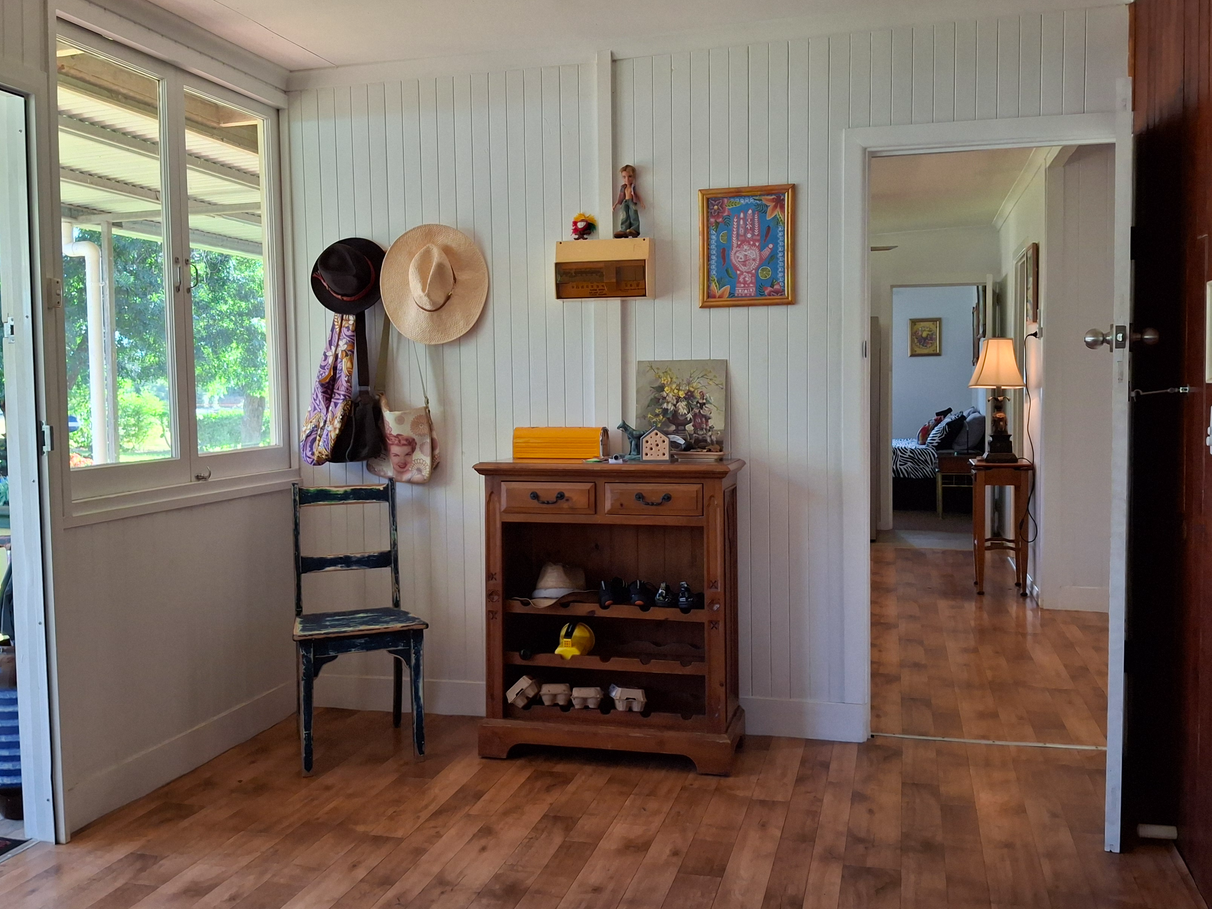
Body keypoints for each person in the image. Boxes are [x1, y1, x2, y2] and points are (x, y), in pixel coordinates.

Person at [613, 165, 643, 238]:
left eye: (630, 176)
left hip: (631, 202)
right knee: (624, 215)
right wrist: (615, 205)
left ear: (633, 177)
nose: (627, 179)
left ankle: (635, 229)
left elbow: (637, 194)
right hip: (625, 202)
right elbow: (620, 197)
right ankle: (624, 229)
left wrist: (641, 202)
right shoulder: (623, 187)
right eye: (624, 177)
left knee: (633, 214)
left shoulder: (632, 187)